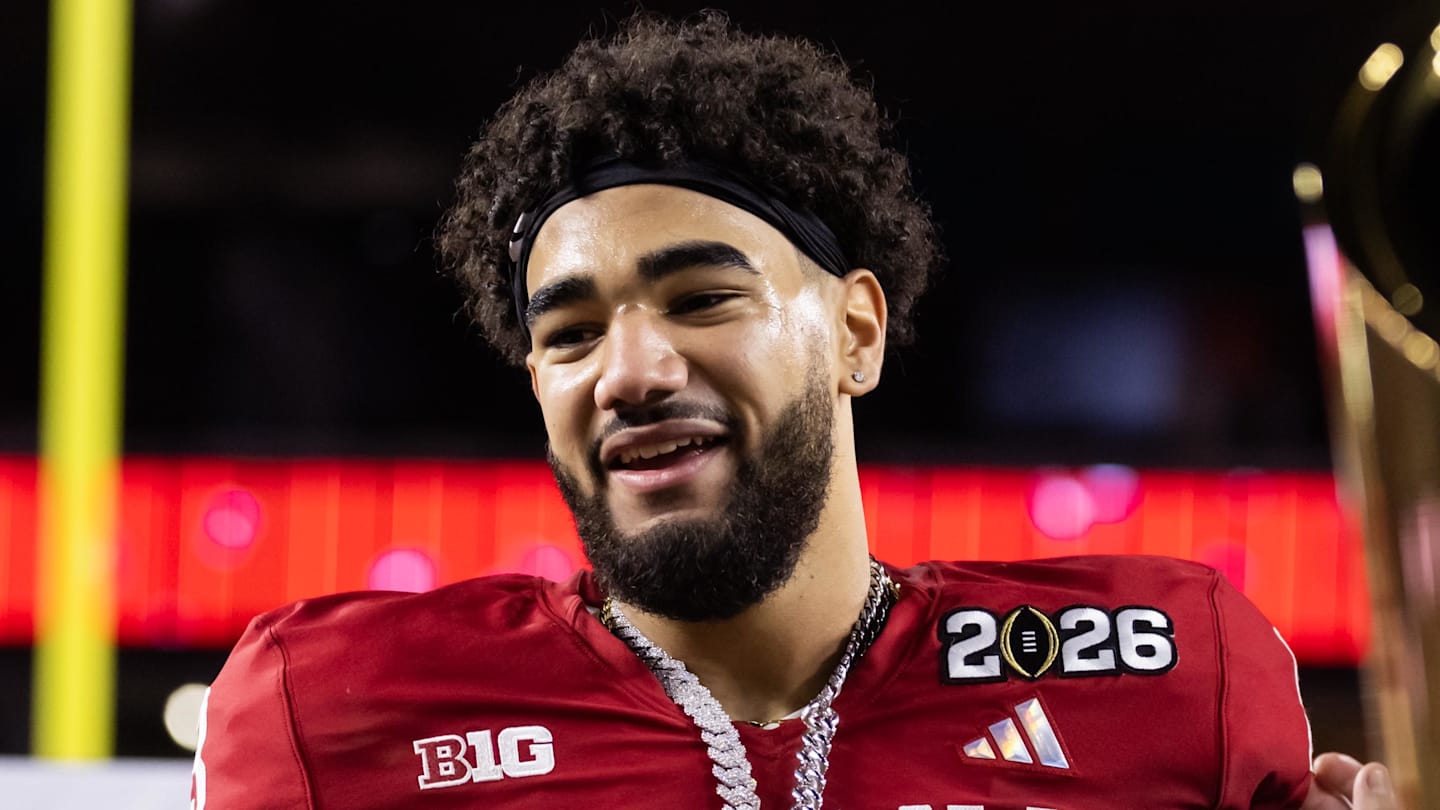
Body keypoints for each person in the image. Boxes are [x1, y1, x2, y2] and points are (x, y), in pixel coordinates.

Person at [191, 13, 1403, 809]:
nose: (630, 369)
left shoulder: (1169, 670)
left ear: (856, 334)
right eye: (569, 332)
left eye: (703, 297)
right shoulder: (332, 707)